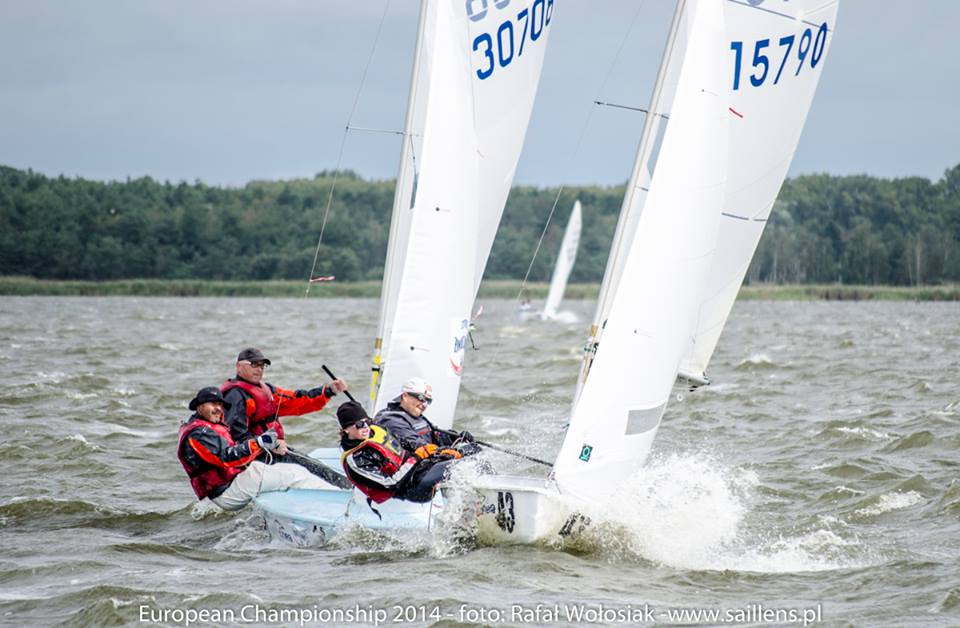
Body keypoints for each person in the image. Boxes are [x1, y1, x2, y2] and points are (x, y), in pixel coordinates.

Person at [176, 387, 336, 511]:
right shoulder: (199, 434)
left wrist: (265, 444)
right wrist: (259, 442)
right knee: (295, 475)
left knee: (291, 469)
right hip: (227, 492)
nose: (218, 408)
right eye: (213, 404)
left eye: (220, 404)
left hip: (233, 484)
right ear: (199, 407)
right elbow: (227, 458)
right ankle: (334, 503)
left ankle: (326, 499)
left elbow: (235, 450)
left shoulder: (204, 426)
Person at [222, 347, 347, 450]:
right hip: (255, 455)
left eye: (262, 365)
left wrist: (329, 391)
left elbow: (295, 401)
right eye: (254, 364)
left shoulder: (268, 390)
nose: (259, 369)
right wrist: (268, 444)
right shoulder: (235, 396)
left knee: (317, 469)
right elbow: (236, 437)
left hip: (273, 448)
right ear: (238, 366)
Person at [338, 401, 461, 504]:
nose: (366, 427)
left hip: (419, 468)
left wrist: (437, 451)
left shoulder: (376, 431)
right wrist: (417, 457)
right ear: (346, 429)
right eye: (359, 424)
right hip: (409, 489)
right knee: (457, 466)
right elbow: (391, 484)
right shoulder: (355, 460)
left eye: (368, 421)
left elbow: (404, 444)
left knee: (463, 453)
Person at [373, 377, 478, 458]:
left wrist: (454, 437)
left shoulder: (415, 416)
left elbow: (434, 436)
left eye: (428, 400)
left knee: (476, 450)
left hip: (427, 460)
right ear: (405, 396)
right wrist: (448, 452)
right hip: (410, 472)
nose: (424, 404)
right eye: (421, 398)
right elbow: (416, 444)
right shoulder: (390, 419)